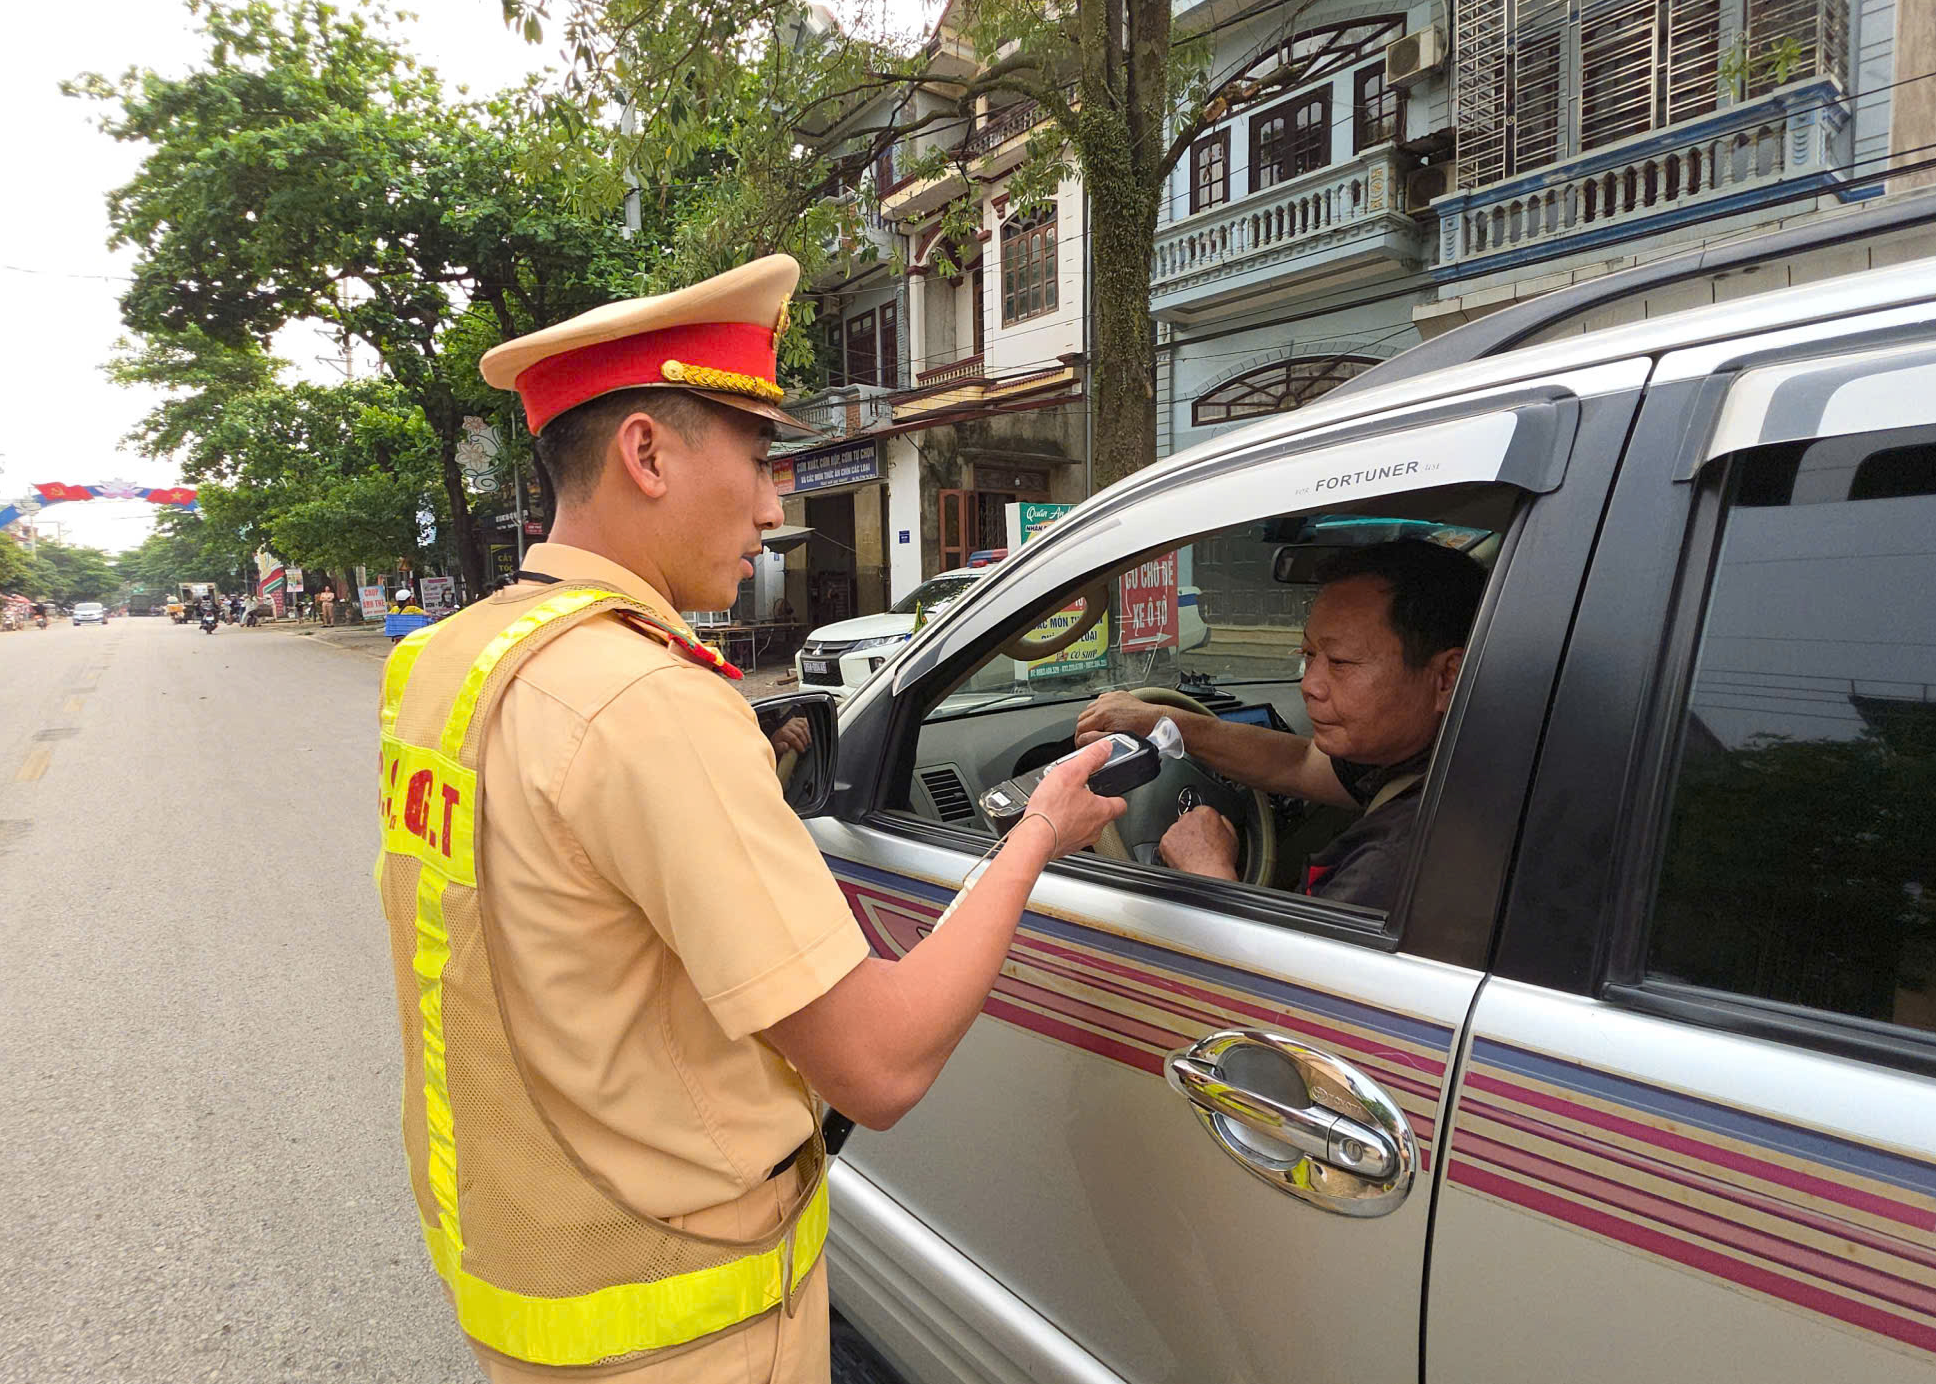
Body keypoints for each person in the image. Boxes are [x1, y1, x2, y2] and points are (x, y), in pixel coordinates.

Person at [375, 255, 1124, 1384]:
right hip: (689, 1332)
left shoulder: (447, 663)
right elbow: (878, 1063)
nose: (776, 506)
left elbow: (562, 897)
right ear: (647, 451)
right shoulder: (653, 707)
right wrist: (1037, 831)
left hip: (538, 1290)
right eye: (761, 459)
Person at [1074, 538, 1486, 916]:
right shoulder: (1444, 761)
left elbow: (1290, 993)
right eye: (1308, 653)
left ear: (1447, 678)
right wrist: (1164, 720)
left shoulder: (1401, 861)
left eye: (1340, 662)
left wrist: (1207, 871)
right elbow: (1300, 762)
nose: (1309, 684)